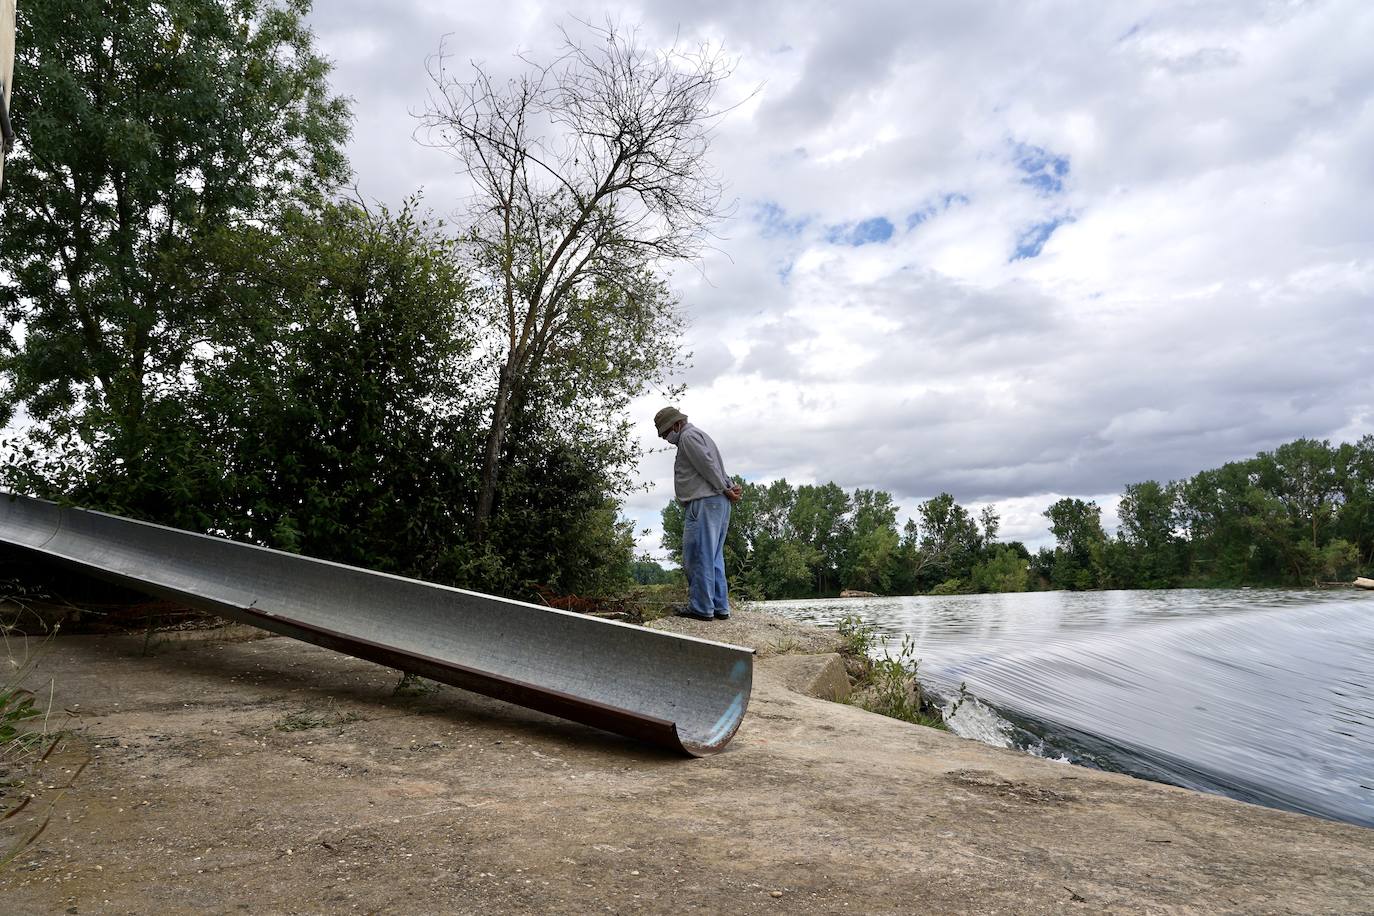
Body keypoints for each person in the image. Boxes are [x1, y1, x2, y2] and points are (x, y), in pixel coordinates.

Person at [654, 406, 742, 621]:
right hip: (717, 502)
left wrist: (724, 487)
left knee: (697, 556)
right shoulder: (702, 435)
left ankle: (702, 608)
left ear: (676, 424)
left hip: (703, 502)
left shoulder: (688, 437)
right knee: (713, 556)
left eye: (665, 433)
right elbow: (714, 465)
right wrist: (728, 485)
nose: (666, 438)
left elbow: (707, 466)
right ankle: (720, 607)